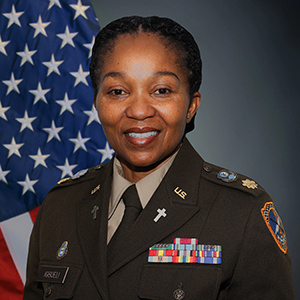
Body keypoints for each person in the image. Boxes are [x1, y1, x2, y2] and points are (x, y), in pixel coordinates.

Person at [23, 16, 295, 299]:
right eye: (117, 91)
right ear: (96, 102)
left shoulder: (240, 213)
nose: (139, 111)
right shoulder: (60, 206)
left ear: (191, 105)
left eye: (161, 90)